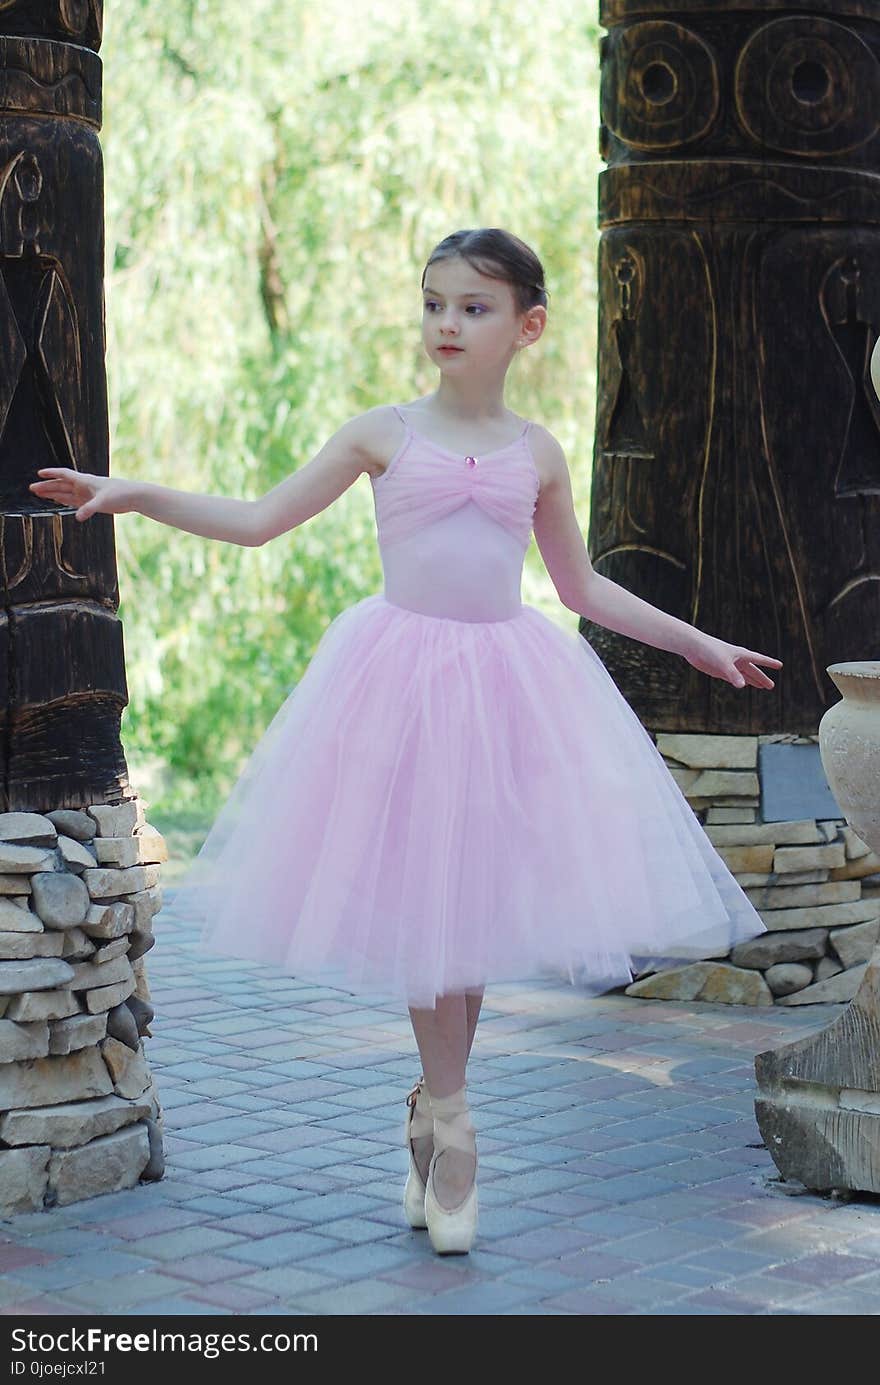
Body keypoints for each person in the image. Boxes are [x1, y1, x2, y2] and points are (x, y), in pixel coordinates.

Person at [30, 227, 782, 1257]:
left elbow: (579, 588)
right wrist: (133, 494)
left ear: (526, 326)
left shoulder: (538, 454)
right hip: (398, 687)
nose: (445, 322)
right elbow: (257, 520)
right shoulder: (380, 435)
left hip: (508, 688)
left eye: (472, 307)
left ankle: (435, 1101)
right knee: (435, 909)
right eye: (433, 302)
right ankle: (457, 1120)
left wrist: (698, 645)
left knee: (461, 917)